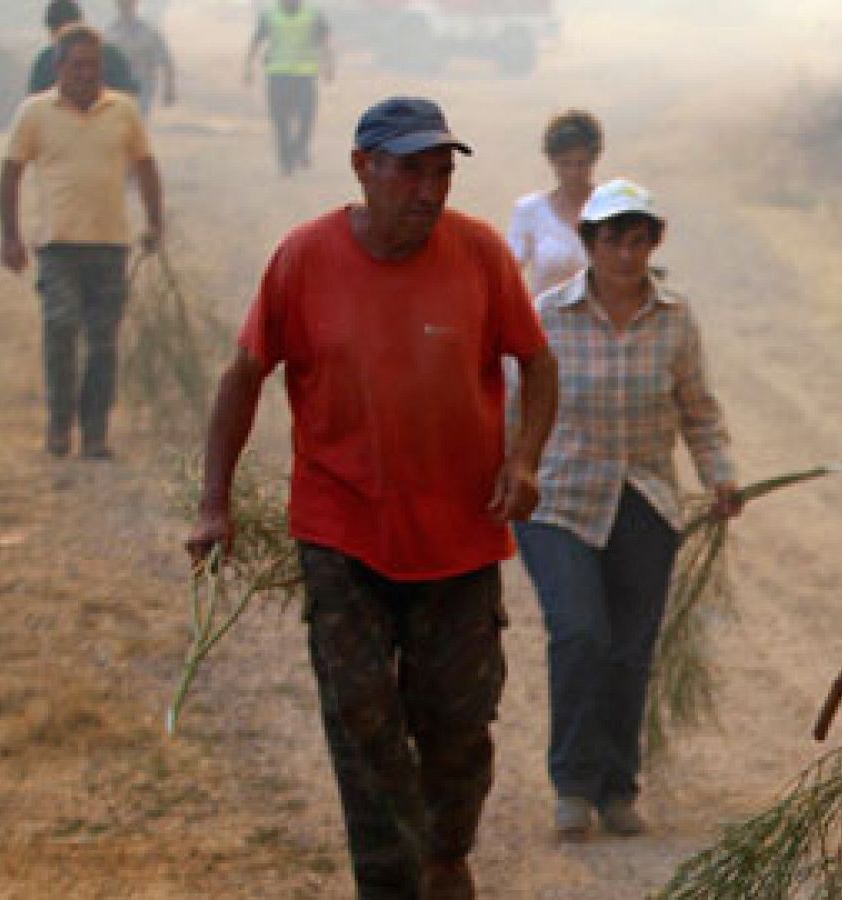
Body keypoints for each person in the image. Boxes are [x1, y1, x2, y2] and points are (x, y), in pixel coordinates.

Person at [184, 96, 558, 899]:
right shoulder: (303, 258)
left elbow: (538, 360)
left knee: (457, 723)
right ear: (363, 166)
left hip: (460, 536)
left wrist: (524, 461)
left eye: (443, 173)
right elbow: (245, 375)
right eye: (413, 170)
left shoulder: (481, 253)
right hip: (341, 531)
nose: (430, 190)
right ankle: (390, 882)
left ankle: (447, 855)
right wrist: (214, 504)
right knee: (361, 716)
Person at [516, 178, 739, 841]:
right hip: (558, 499)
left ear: (653, 243)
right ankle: (572, 786)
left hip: (644, 499)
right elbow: (511, 408)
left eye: (639, 238)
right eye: (613, 238)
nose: (626, 252)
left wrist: (720, 477)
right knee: (580, 632)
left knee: (629, 648)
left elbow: (699, 410)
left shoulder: (675, 319)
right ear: (589, 243)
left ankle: (617, 787)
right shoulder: (549, 316)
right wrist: (508, 473)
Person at [1, 23, 162, 460]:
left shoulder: (123, 111)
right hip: (57, 246)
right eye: (76, 65)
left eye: (92, 65)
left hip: (111, 245)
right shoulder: (34, 112)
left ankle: (94, 432)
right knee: (60, 330)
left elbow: (146, 166)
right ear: (59, 67)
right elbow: (11, 171)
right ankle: (58, 424)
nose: (85, 73)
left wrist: (154, 223)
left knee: (103, 343)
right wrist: (10, 236)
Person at [506, 109, 602, 300]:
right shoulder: (529, 211)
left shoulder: (611, 210)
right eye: (565, 164)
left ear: (593, 160)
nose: (574, 172)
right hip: (544, 324)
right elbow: (507, 276)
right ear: (552, 161)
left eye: (581, 163)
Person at [243, 0, 333, 176]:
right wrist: (248, 67)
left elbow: (325, 41)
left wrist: (329, 64)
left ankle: (298, 149)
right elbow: (256, 41)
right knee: (280, 120)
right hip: (278, 75)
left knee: (306, 116)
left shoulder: (313, 15)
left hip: (304, 75)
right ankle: (285, 161)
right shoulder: (269, 15)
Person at [26, 0, 141, 100]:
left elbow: (34, 99)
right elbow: (130, 93)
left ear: (51, 30)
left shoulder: (45, 61)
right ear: (81, 22)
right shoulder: (112, 54)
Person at [107, 0, 175, 119]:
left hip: (142, 85)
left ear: (134, 4)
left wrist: (169, 88)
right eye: (122, 3)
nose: (125, 6)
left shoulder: (148, 32)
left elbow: (166, 61)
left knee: (137, 121)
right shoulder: (110, 32)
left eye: (128, 3)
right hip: (117, 86)